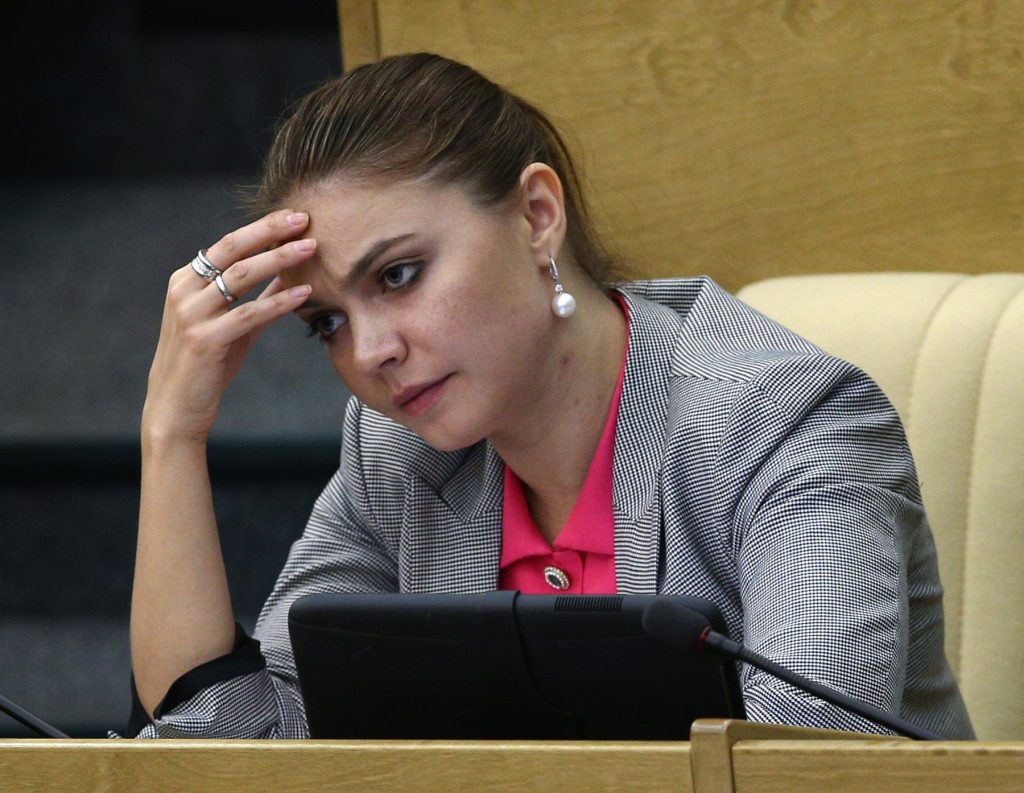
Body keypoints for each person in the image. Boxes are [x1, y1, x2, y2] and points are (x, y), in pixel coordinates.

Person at [128, 52, 973, 740]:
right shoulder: (398, 450)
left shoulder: (784, 422)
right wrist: (172, 434)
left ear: (536, 216)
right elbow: (231, 751)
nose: (372, 351)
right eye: (327, 323)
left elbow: (796, 773)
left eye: (399, 275)